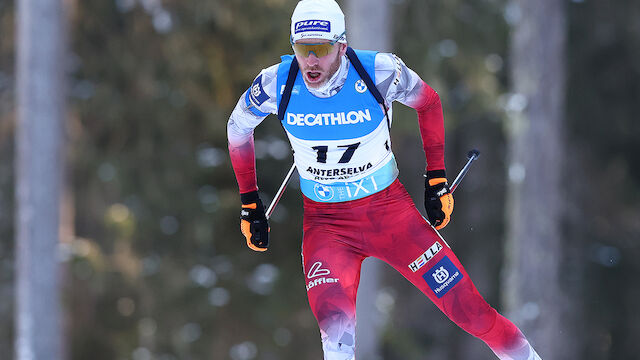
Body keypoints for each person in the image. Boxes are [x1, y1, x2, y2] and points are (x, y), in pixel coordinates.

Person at [227, 0, 543, 359]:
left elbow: (429, 102)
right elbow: (237, 129)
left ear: (342, 46)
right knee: (337, 337)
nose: (311, 61)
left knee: (470, 311)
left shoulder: (378, 71)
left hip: (390, 216)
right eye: (303, 50)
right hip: (327, 225)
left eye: (322, 49)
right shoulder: (275, 83)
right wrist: (250, 204)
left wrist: (436, 180)